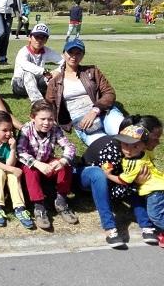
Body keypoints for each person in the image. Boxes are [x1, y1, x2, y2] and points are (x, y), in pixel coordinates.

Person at [79, 116, 161, 248]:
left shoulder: (140, 151)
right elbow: (107, 176)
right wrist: (133, 182)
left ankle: (146, 226)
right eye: (155, 137)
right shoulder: (113, 148)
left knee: (135, 182)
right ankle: (109, 228)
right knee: (99, 175)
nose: (158, 142)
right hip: (88, 181)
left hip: (115, 181)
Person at [45, 38, 124, 146]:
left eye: (78, 53)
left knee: (126, 136)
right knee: (105, 147)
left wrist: (95, 110)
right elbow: (49, 105)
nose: (74, 56)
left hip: (103, 112)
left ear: (83, 56)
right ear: (63, 54)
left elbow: (109, 93)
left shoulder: (92, 71)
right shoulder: (55, 81)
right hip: (81, 119)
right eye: (70, 52)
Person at [17, 100, 78, 230]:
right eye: (42, 119)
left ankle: (61, 200)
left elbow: (69, 146)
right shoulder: (25, 130)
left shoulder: (55, 129)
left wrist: (62, 161)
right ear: (32, 118)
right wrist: (37, 164)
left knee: (65, 165)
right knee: (30, 170)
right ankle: (39, 206)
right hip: (33, 165)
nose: (46, 123)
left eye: (50, 119)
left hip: (47, 164)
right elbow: (20, 152)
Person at [103, 124, 164, 246]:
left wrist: (108, 175)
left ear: (143, 146)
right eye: (125, 145)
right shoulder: (145, 153)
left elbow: (124, 181)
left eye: (135, 146)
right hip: (159, 186)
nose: (129, 150)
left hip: (154, 192)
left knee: (155, 216)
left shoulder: (133, 164)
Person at [0, 111, 34, 229]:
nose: (9, 133)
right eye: (4, 130)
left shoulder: (10, 141)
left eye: (10, 130)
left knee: (13, 175)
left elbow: (10, 163)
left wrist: (13, 149)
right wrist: (11, 169)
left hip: (6, 167)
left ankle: (20, 208)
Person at [11, 23, 63, 103]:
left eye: (43, 38)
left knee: (54, 76)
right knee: (28, 73)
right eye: (36, 37)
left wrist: (57, 72)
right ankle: (38, 102)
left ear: (46, 40)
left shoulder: (46, 51)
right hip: (19, 85)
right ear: (30, 38)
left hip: (37, 83)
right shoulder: (23, 51)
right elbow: (25, 65)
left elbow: (64, 61)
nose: (39, 40)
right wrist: (44, 71)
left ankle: (61, 96)